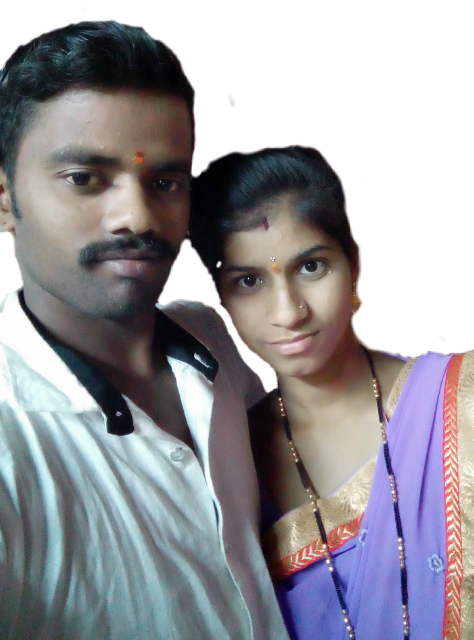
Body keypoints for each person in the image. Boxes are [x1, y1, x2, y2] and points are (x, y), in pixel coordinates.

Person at [0, 19, 291, 640]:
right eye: (84, 178)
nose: (137, 216)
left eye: (165, 182)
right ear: (4, 199)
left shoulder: (209, 333)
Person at [188, 144, 474, 639]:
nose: (288, 312)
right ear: (221, 297)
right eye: (249, 281)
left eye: (311, 267)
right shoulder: (226, 462)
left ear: (355, 265)